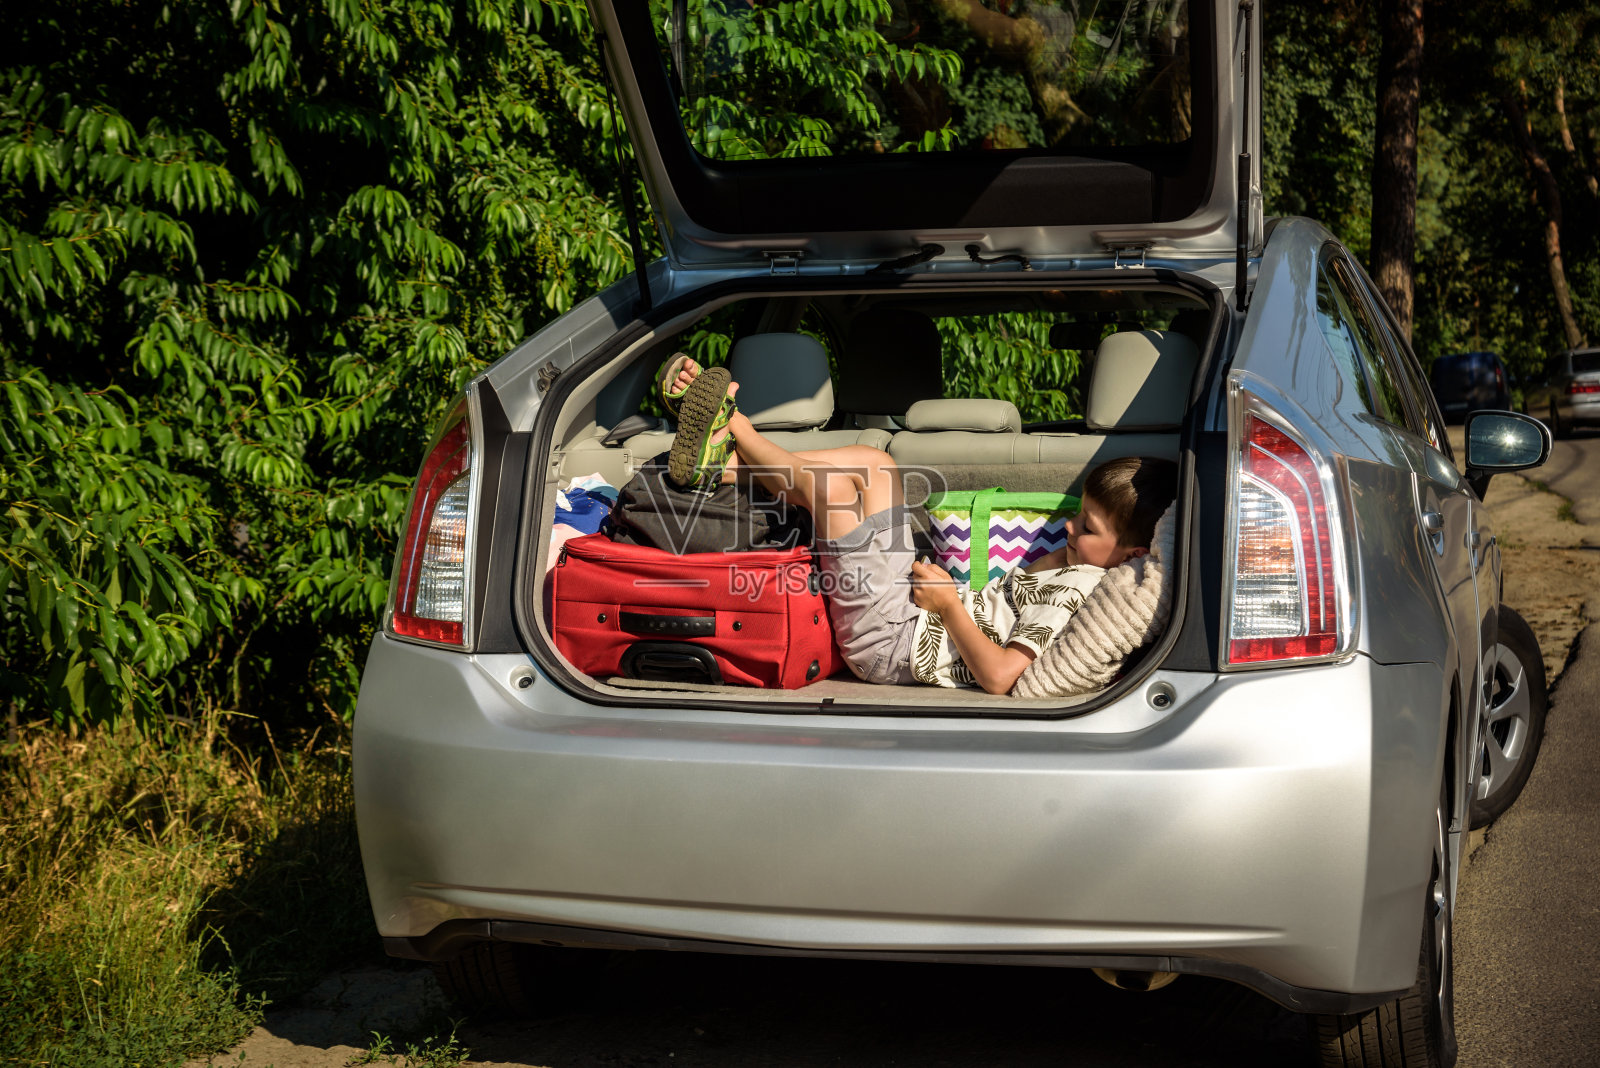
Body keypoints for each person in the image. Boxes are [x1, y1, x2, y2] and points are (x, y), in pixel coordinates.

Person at [657, 356, 1179, 694]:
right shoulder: (1078, 567)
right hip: (906, 610)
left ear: (1133, 555)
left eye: (1085, 527)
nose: (1067, 529)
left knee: (838, 492)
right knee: (874, 463)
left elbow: (999, 678)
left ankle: (734, 425)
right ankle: (723, 465)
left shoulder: (1080, 594)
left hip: (890, 643)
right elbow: (1023, 589)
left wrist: (950, 605)